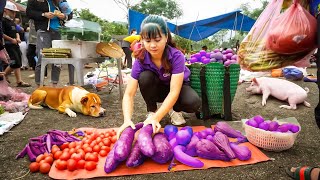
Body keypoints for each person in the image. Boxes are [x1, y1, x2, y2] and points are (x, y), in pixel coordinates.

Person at [117, 15, 201, 137]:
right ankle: (152, 111)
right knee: (145, 77)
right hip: (158, 89)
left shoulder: (176, 56)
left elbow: (174, 92)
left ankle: (174, 110)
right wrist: (127, 120)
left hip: (176, 90)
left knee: (193, 102)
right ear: (142, 40)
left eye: (157, 40)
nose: (152, 45)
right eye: (148, 41)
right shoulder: (140, 58)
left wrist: (158, 118)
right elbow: (129, 94)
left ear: (166, 38)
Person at [26, 0, 73, 87]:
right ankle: (39, 85)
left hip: (59, 31)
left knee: (58, 58)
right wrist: (44, 14)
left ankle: (54, 85)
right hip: (44, 31)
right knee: (42, 56)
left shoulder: (62, 2)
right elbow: (29, 12)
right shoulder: (35, 1)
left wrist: (64, 16)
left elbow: (70, 15)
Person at [2, 1, 31, 87]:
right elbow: (2, 34)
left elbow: (16, 32)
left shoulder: (11, 21)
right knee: (14, 62)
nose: (14, 13)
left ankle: (19, 81)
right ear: (5, 10)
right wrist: (11, 40)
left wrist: (17, 38)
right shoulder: (3, 21)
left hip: (15, 44)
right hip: (8, 45)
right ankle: (3, 76)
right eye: (12, 11)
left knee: (18, 62)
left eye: (14, 12)